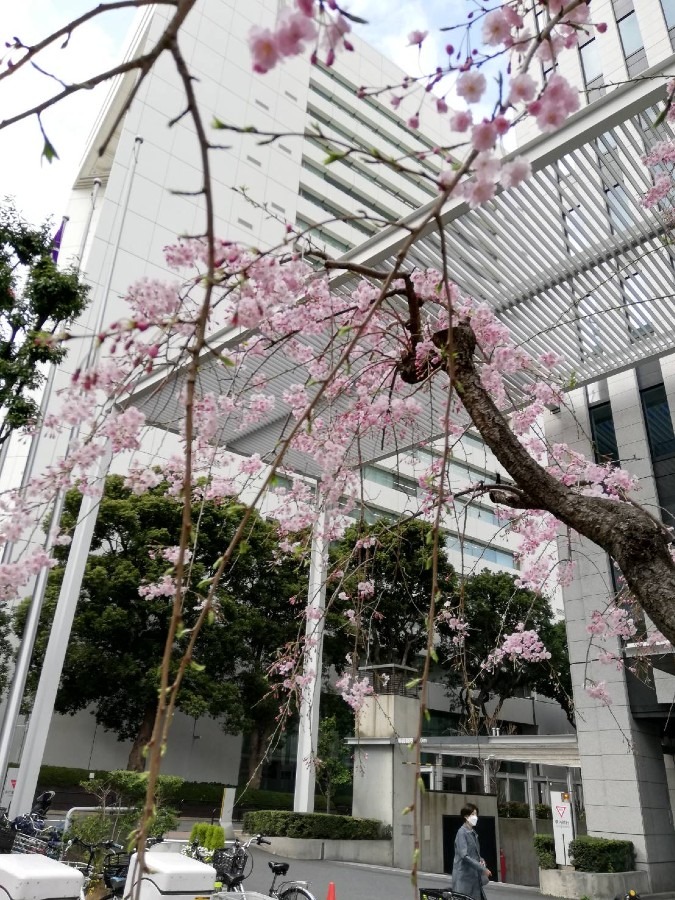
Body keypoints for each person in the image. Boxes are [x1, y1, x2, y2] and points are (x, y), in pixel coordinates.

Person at [451, 803, 492, 900]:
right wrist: (482, 869)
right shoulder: (461, 833)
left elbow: (475, 853)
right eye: (473, 814)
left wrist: (481, 860)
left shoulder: (473, 833)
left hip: (473, 877)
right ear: (466, 816)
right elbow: (464, 856)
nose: (475, 817)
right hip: (464, 878)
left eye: (476, 814)